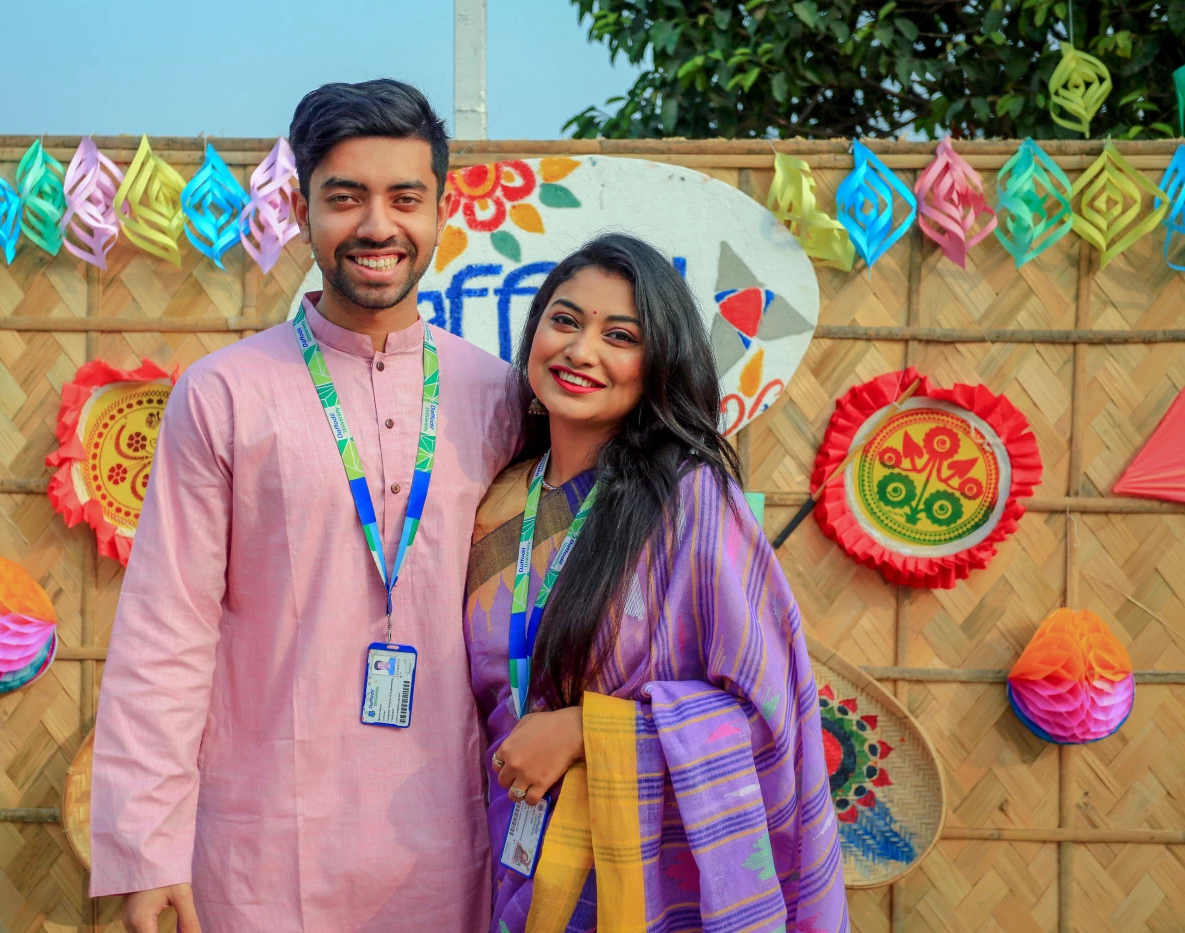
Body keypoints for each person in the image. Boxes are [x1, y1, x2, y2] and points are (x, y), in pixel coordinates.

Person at [89, 79, 517, 932]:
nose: (377, 226)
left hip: (452, 845)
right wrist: (148, 844)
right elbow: (166, 629)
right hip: (262, 850)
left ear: (444, 210)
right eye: (345, 197)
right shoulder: (224, 393)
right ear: (298, 207)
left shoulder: (499, 395)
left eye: (405, 198)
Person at [466, 234, 850, 932]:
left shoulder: (692, 502)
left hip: (636, 884)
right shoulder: (494, 499)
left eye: (620, 336)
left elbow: (767, 714)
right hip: (500, 847)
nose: (581, 350)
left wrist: (587, 730)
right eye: (564, 320)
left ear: (659, 363)